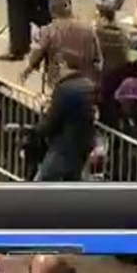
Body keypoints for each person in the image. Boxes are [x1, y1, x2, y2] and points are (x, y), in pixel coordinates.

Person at [31, 49, 97, 181]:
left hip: (64, 147)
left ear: (64, 65)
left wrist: (36, 130)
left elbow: (52, 122)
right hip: (84, 145)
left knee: (42, 181)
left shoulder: (64, 89)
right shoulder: (90, 85)